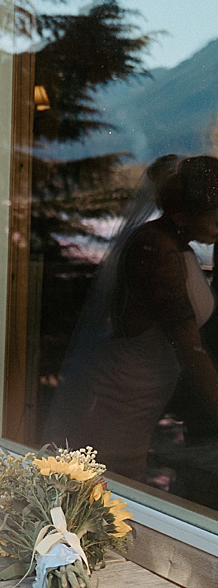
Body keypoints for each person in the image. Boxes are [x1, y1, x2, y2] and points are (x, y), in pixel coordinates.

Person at [44, 155, 218, 480]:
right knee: (106, 482)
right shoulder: (157, 250)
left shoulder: (180, 246)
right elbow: (188, 347)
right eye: (217, 221)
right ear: (184, 214)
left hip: (146, 393)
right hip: (121, 394)